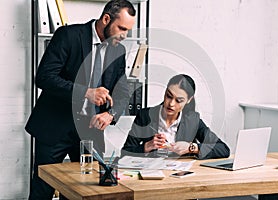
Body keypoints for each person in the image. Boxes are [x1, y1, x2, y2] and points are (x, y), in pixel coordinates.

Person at [25, 0, 136, 199]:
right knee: (42, 190)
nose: (124, 35)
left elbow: (122, 93)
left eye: (128, 30)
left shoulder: (118, 51)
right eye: (121, 28)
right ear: (106, 19)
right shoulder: (68, 36)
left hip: (90, 132)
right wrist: (86, 92)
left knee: (89, 192)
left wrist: (110, 115)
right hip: (54, 126)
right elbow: (44, 77)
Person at [121, 74, 230, 159]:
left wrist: (191, 148)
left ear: (189, 100)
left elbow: (223, 149)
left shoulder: (192, 120)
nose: (171, 104)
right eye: (169, 96)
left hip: (180, 177)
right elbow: (125, 152)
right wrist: (146, 146)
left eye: (179, 100)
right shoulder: (145, 116)